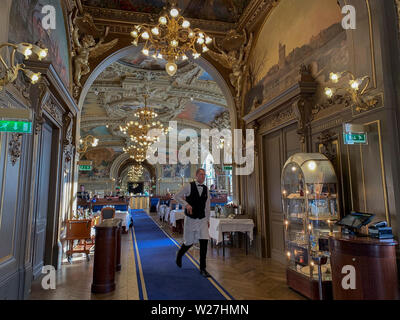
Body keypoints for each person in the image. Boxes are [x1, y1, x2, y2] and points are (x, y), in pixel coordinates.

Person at [174, 168, 211, 278]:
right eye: (201, 174)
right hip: (190, 219)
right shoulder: (188, 186)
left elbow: (207, 205)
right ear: (196, 176)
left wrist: (208, 219)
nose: (203, 176)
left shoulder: (206, 189)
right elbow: (176, 196)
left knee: (204, 241)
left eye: (204, 175)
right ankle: (179, 255)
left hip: (202, 219)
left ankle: (203, 268)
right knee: (189, 242)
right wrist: (187, 205)